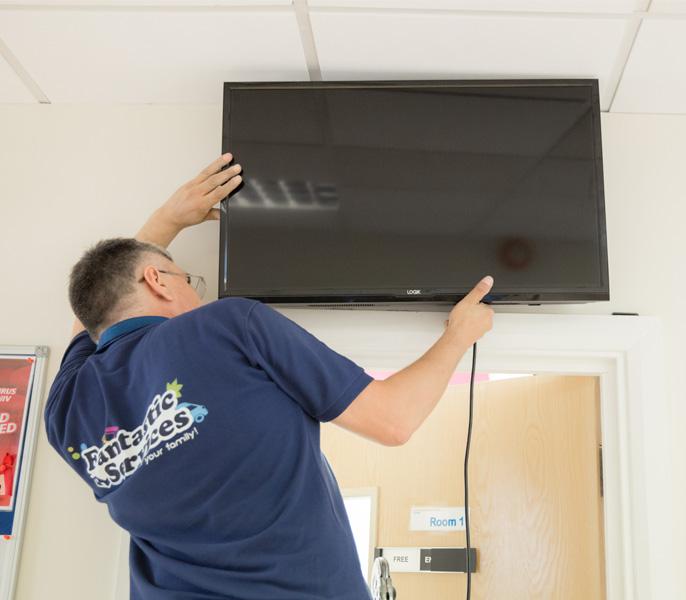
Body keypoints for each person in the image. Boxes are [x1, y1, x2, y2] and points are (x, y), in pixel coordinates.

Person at [45, 153, 494, 600]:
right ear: (158, 282)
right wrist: (458, 336)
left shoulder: (64, 407)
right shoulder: (226, 325)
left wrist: (165, 223)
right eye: (187, 279)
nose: (195, 294)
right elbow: (393, 420)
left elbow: (92, 313)